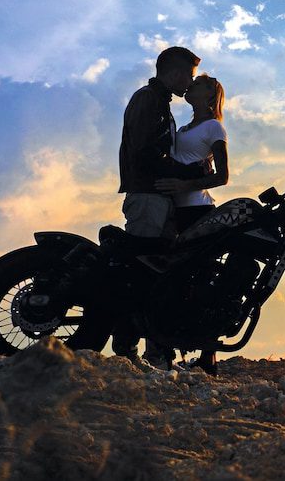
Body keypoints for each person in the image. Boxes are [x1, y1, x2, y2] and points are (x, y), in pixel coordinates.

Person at [113, 46, 209, 370]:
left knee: (157, 277)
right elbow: (145, 154)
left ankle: (158, 357)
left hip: (158, 199)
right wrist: (191, 173)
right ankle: (126, 353)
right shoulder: (148, 100)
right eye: (189, 76)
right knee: (139, 273)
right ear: (175, 71)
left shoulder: (160, 105)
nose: (189, 83)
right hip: (147, 197)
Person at [154, 73, 229, 375]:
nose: (192, 85)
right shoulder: (183, 127)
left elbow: (222, 176)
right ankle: (170, 349)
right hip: (175, 213)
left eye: (200, 84)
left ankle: (209, 355)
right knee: (174, 279)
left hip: (199, 211)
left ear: (210, 96)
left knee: (202, 280)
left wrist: (183, 187)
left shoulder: (214, 127)